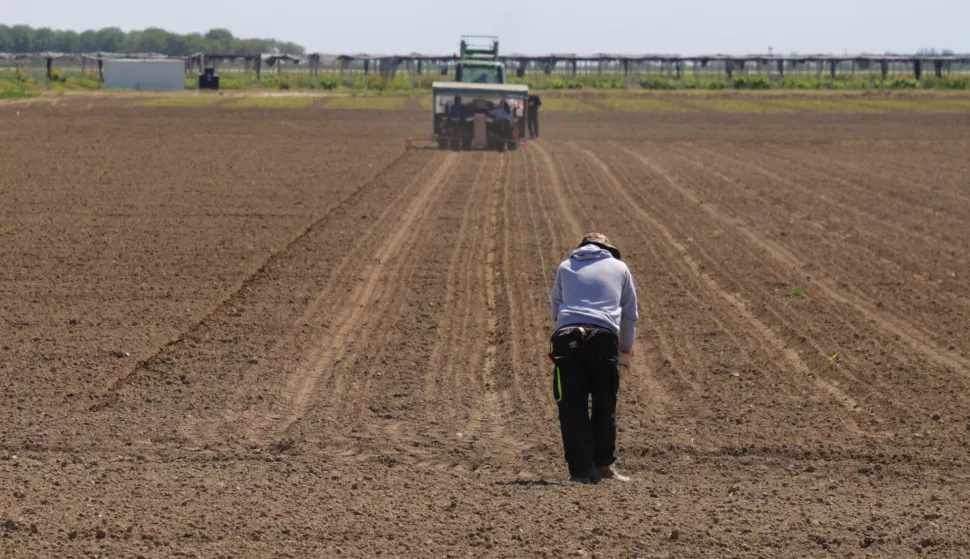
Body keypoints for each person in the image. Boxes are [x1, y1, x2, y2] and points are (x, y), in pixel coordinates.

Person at [549, 233, 638, 484]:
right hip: (603, 338)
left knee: (571, 405)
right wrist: (625, 348)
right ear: (607, 248)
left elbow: (557, 308)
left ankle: (579, 472)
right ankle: (603, 466)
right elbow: (630, 314)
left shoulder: (565, 266)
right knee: (604, 402)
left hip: (567, 337)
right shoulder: (620, 267)